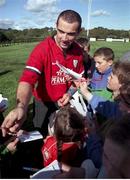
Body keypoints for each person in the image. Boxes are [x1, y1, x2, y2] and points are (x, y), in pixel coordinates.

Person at [1, 10, 84, 138]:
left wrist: (69, 93)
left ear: (79, 32)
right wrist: (22, 107)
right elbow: (28, 80)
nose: (64, 38)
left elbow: (77, 80)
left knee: (63, 134)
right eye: (61, 31)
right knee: (41, 134)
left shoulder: (78, 51)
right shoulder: (42, 49)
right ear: (56, 25)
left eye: (71, 34)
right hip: (43, 102)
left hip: (64, 102)